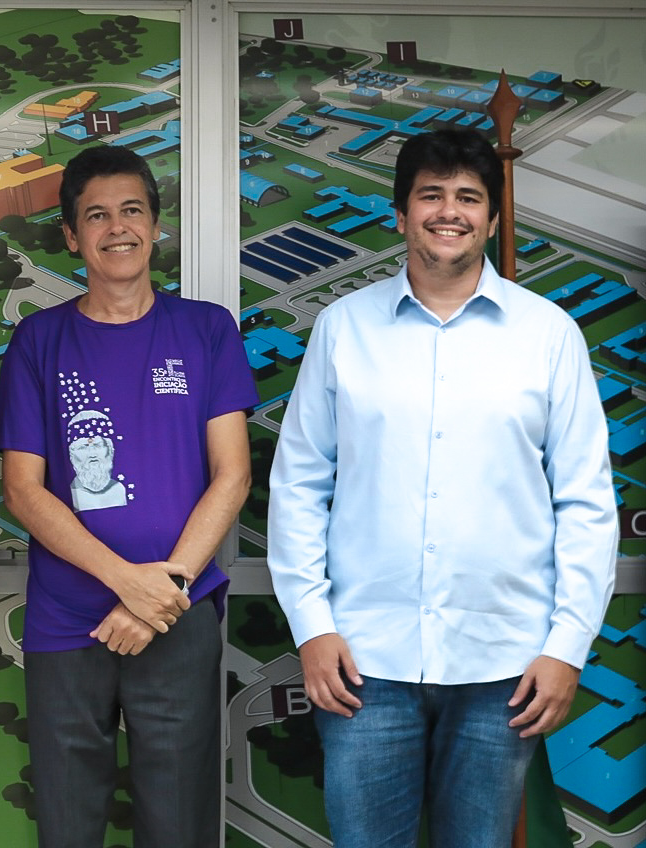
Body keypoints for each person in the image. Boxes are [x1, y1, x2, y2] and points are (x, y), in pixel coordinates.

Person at [267, 129, 618, 847]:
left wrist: (567, 644)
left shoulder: (548, 335)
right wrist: (311, 625)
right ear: (399, 214)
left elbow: (585, 500)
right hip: (362, 663)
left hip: (506, 668)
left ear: (490, 219)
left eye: (467, 197)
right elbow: (298, 483)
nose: (447, 211)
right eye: (430, 195)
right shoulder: (342, 330)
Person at [0, 144, 257, 848]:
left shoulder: (205, 330)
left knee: (179, 824)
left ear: (155, 225)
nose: (117, 228)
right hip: (66, 623)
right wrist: (125, 584)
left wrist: (161, 592)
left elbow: (231, 475)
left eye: (132, 211)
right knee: (67, 824)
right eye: (97, 215)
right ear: (71, 235)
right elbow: (22, 490)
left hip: (178, 614)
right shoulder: (36, 341)